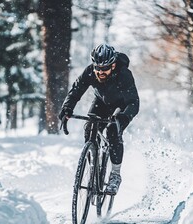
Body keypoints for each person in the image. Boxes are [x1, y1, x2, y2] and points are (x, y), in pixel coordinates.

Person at [59, 44, 140, 195]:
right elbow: (75, 91)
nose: (100, 72)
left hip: (121, 105)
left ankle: (115, 175)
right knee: (90, 127)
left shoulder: (124, 75)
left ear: (113, 65)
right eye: (98, 68)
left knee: (112, 131)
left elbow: (134, 102)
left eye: (105, 69)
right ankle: (93, 165)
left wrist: (123, 118)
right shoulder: (90, 71)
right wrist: (66, 109)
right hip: (101, 102)